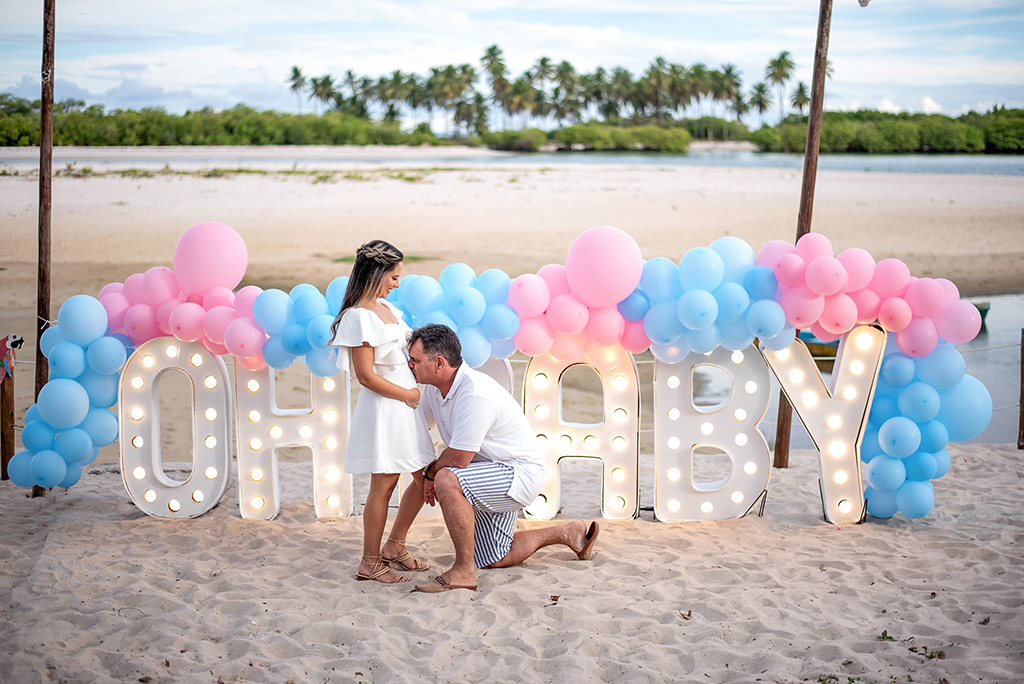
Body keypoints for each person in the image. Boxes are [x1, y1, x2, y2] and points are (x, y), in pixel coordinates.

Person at [406, 323, 600, 593]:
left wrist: (430, 474)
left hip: (518, 474)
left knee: (447, 479)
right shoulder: (431, 390)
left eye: (414, 360)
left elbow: (460, 458)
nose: (409, 365)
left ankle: (463, 572)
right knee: (493, 557)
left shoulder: (474, 393)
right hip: (486, 473)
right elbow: (417, 430)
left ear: (439, 363)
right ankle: (568, 532)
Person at [329, 240, 436, 584]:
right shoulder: (358, 317)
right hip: (387, 408)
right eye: (393, 277)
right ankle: (369, 562)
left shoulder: (389, 310)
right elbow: (365, 375)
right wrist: (406, 394)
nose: (397, 284)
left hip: (407, 408)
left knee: (423, 479)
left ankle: (395, 545)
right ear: (376, 273)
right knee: (385, 485)